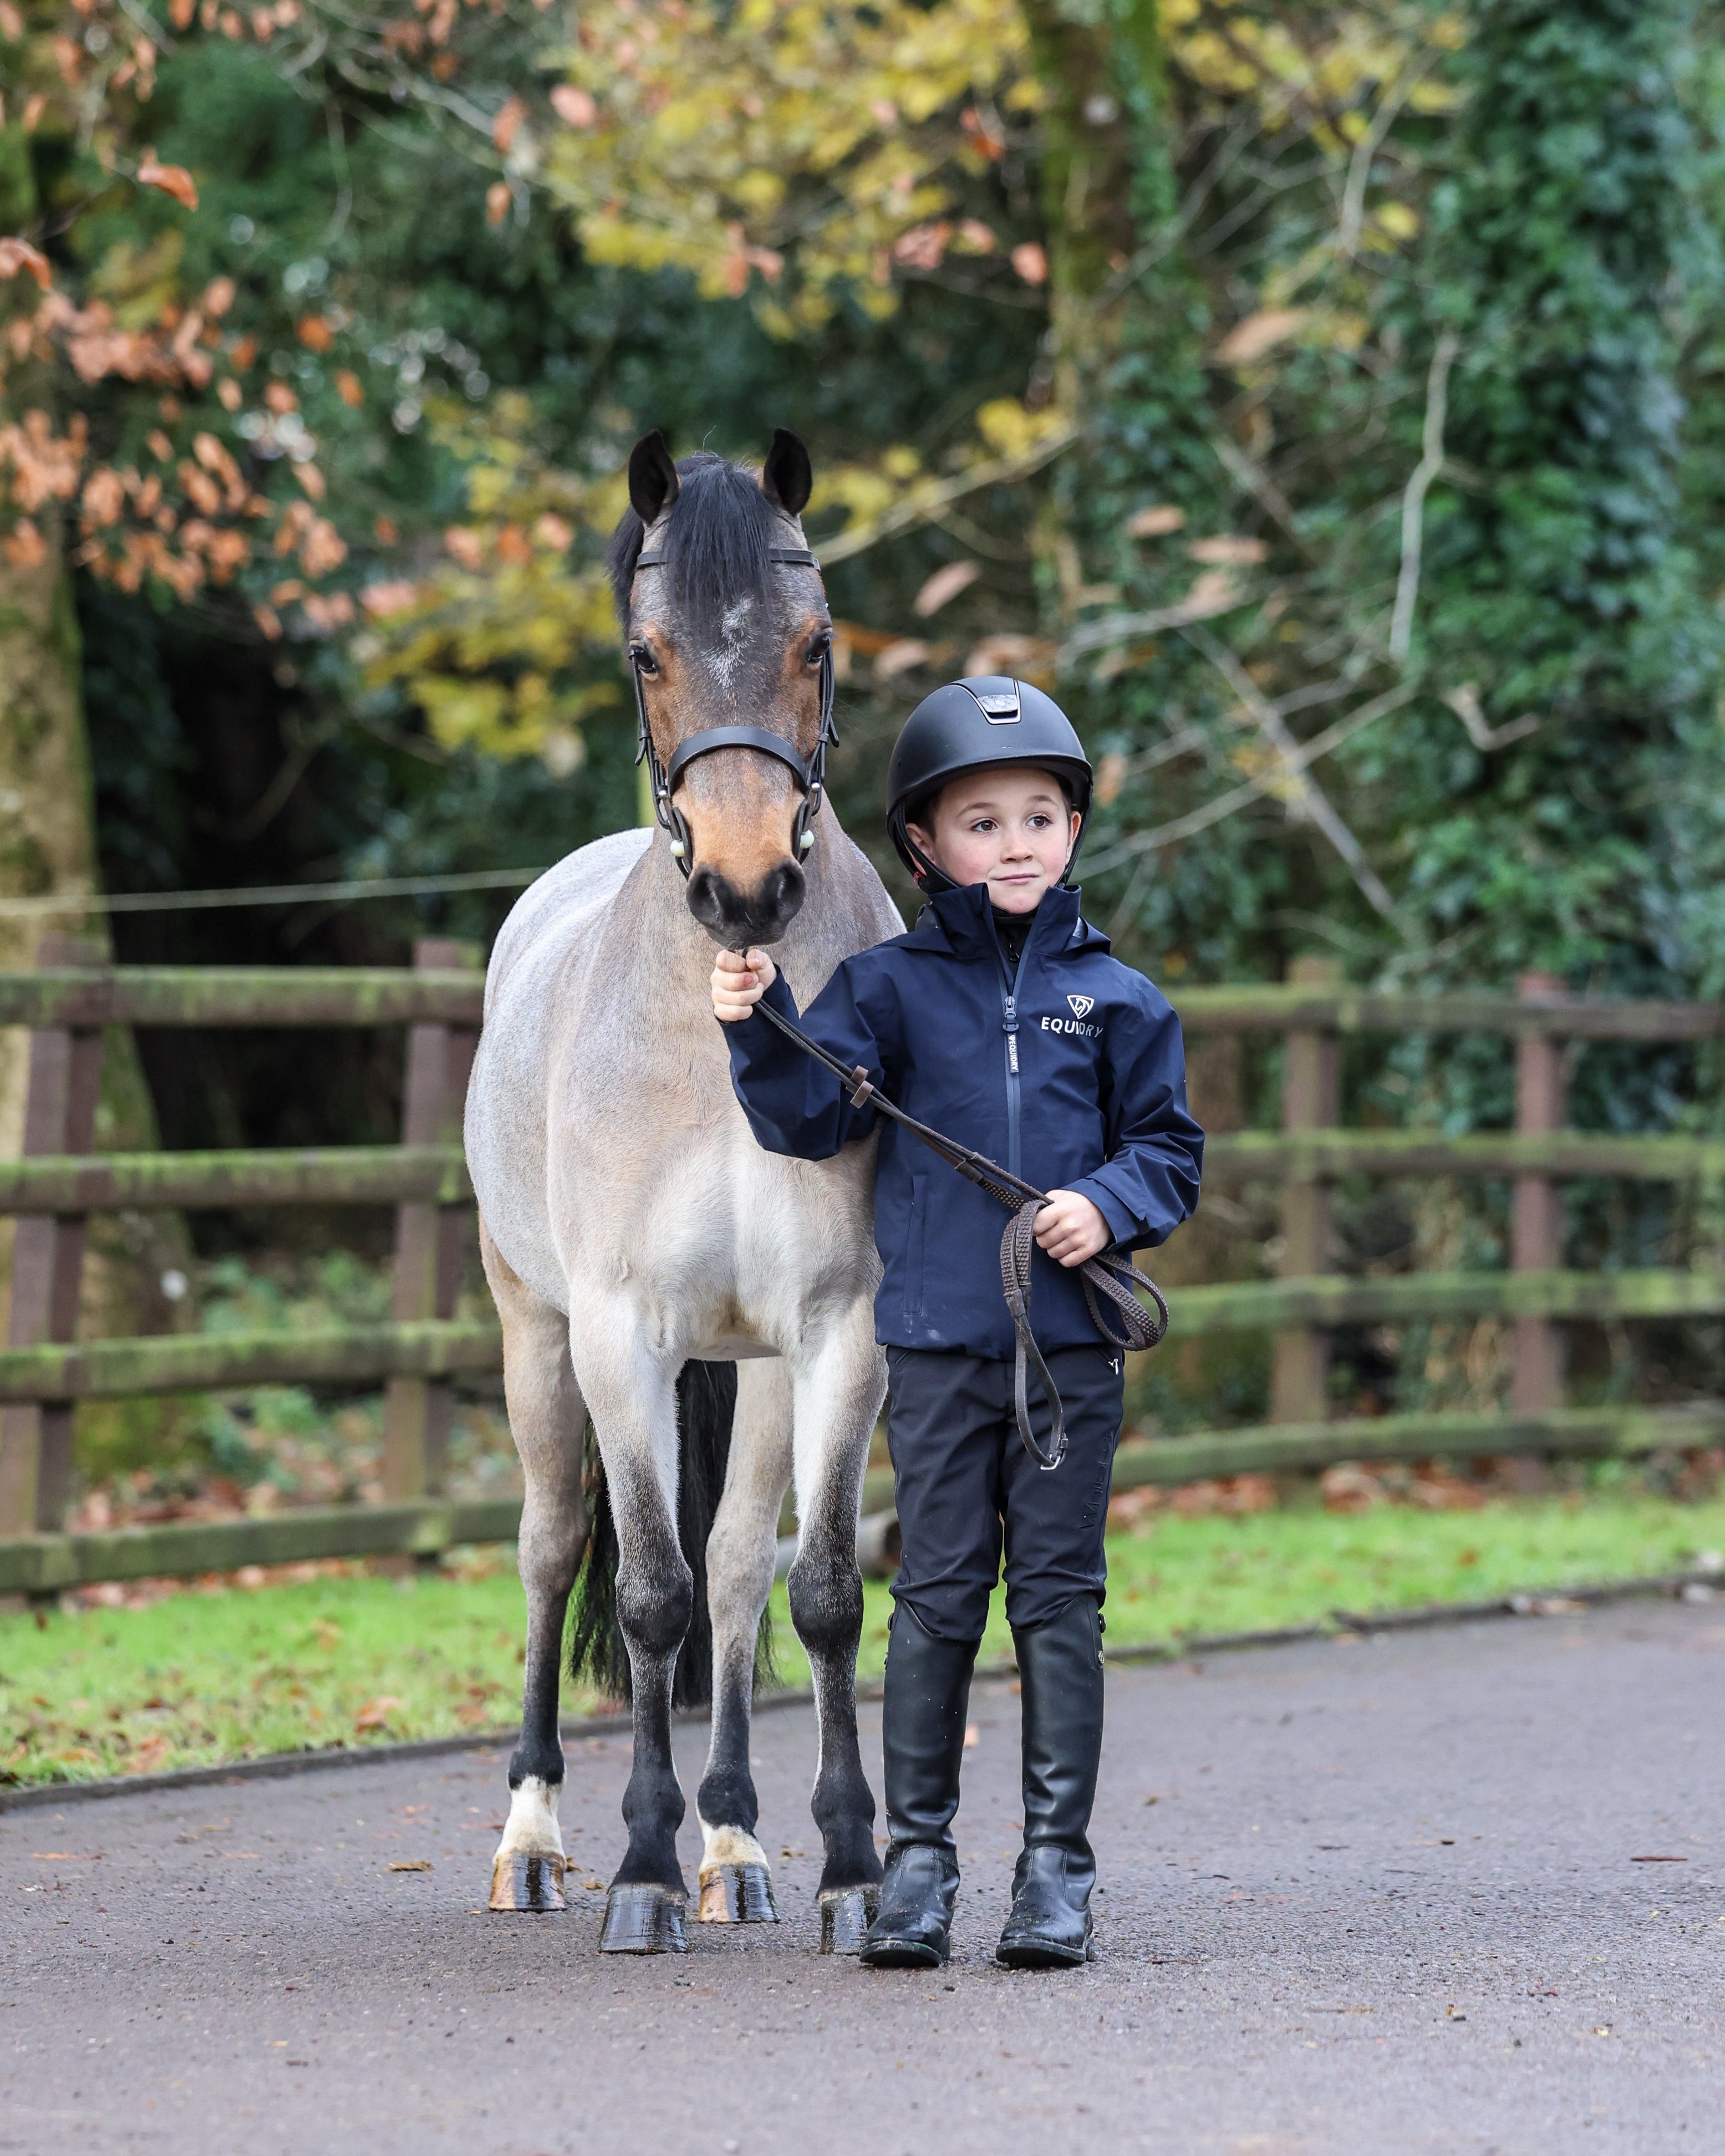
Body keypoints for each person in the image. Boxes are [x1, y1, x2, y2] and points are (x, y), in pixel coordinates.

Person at [710, 675, 1203, 1969]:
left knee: (1056, 1600)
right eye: (982, 823)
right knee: (931, 1597)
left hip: (1070, 1353)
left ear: (1074, 830)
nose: (1016, 843)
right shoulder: (884, 991)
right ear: (925, 847)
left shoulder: (1120, 999)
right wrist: (754, 1031)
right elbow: (806, 1121)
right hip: (930, 1346)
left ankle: (1055, 1870)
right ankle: (917, 1861)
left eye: (1039, 816)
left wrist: (1105, 1204)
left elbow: (1168, 1149)